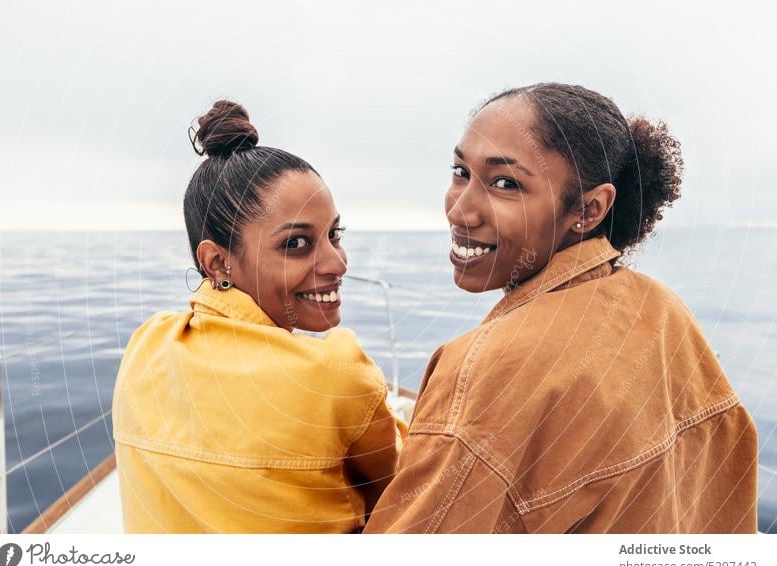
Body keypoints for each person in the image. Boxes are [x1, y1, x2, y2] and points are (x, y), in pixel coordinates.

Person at [364, 83, 758, 534]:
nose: (461, 211)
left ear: (589, 210)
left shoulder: (487, 369)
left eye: (505, 184)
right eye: (460, 171)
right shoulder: (664, 310)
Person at [112, 99, 406, 533]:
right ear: (216, 262)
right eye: (295, 244)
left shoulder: (146, 345)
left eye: (333, 235)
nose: (338, 263)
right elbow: (405, 495)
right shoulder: (336, 373)